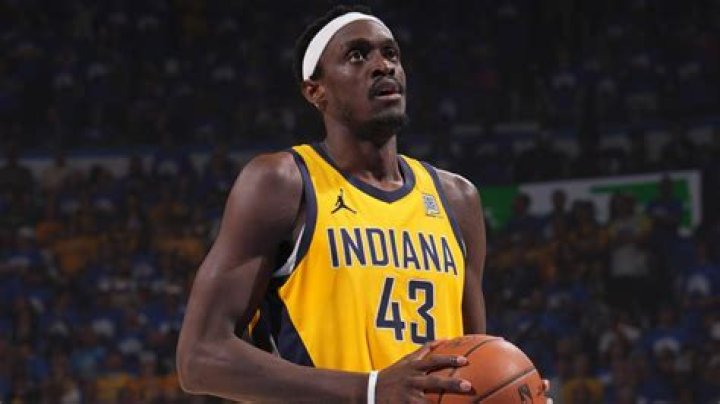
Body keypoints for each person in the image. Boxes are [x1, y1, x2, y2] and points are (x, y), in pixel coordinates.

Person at [177, 5, 488, 402]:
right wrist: (368, 390)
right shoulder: (282, 183)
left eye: (390, 53)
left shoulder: (457, 200)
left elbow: (475, 362)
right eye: (357, 55)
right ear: (315, 91)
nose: (383, 66)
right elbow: (199, 358)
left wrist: (510, 389)